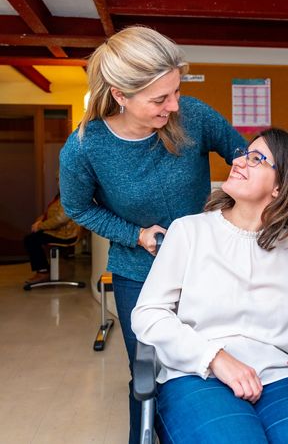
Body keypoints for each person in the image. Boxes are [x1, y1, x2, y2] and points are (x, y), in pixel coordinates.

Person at [59, 26, 246, 443]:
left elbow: (245, 159)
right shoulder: (84, 148)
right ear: (120, 95)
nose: (174, 105)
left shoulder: (192, 116)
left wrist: (241, 211)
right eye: (160, 98)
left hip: (208, 267)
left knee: (211, 364)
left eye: (176, 91)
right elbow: (78, 207)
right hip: (138, 273)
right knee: (149, 372)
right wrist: (135, 234)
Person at [131, 128, 288, 443]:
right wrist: (215, 357)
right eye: (243, 154)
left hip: (283, 378)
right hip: (199, 375)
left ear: (281, 187)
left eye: (256, 159)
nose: (239, 162)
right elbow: (148, 313)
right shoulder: (189, 232)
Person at [23, 192, 79, 285]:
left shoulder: (70, 195)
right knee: (32, 238)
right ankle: (43, 270)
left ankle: (43, 272)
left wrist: (40, 226)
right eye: (57, 179)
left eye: (59, 179)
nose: (58, 182)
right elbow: (52, 214)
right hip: (60, 231)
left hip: (66, 234)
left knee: (31, 240)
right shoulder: (62, 195)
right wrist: (40, 221)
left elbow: (60, 220)